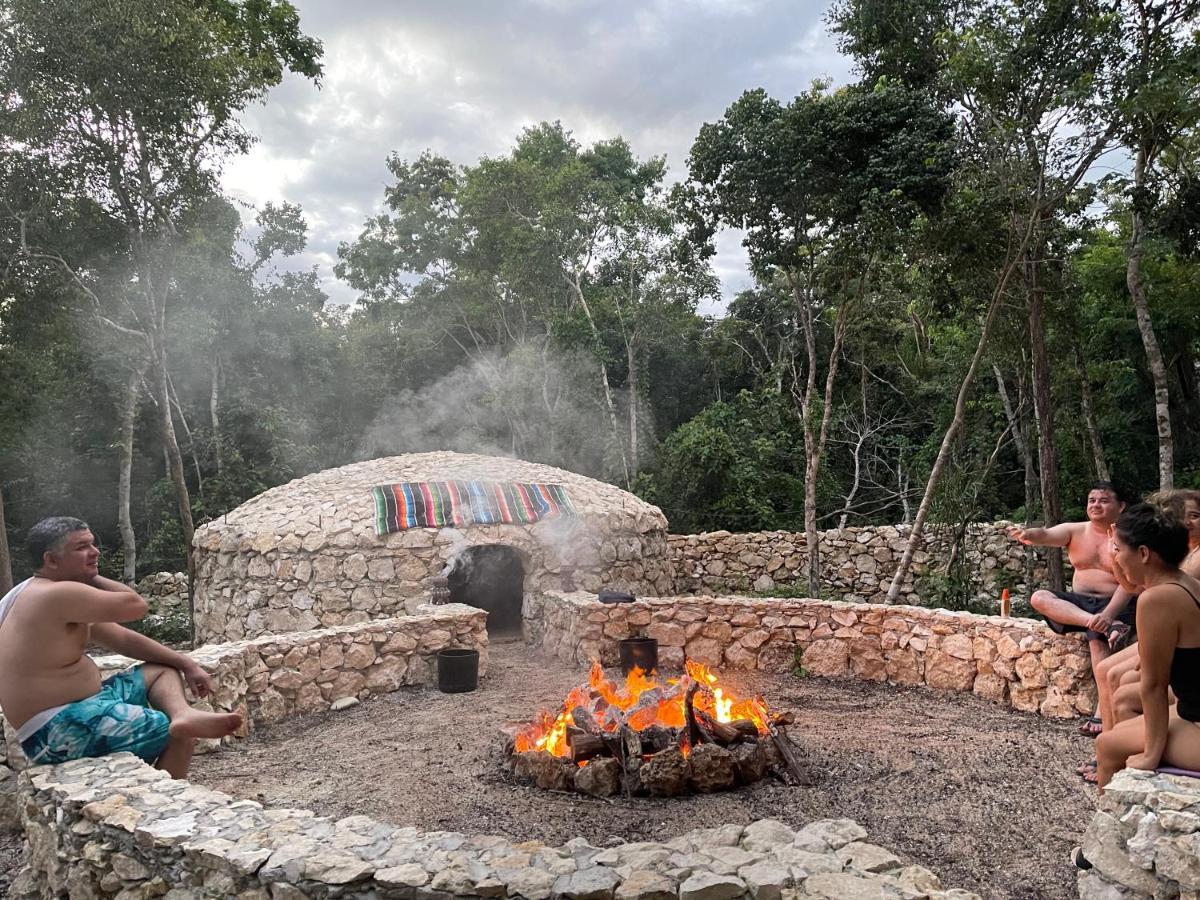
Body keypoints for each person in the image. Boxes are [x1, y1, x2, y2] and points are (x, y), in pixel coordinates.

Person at [0, 517, 242, 777]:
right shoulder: (52, 594)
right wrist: (91, 577)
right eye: (82, 547)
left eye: (93, 545)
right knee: (171, 731)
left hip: (84, 706)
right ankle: (158, 811)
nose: (95, 552)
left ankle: (183, 713)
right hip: (55, 729)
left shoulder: (46, 594)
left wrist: (186, 663)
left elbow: (122, 639)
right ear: (51, 560)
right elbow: (135, 605)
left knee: (161, 670)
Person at [1009, 482, 1137, 735]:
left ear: (1121, 506)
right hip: (1082, 605)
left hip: (1118, 603)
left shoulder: (1130, 537)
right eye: (1092, 500)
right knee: (1039, 597)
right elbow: (1045, 535)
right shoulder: (1076, 530)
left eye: (1103, 500)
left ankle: (1102, 714)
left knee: (1098, 644)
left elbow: (1132, 582)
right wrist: (1028, 534)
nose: (1096, 505)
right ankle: (1095, 623)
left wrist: (1109, 614)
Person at [1094, 500, 1200, 788]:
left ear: (1143, 553)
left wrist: (1151, 754)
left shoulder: (1157, 600)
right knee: (1124, 725)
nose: (1115, 559)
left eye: (1119, 551)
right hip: (1191, 710)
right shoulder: (1186, 584)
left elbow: (1154, 684)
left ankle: (1109, 832)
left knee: (1107, 745)